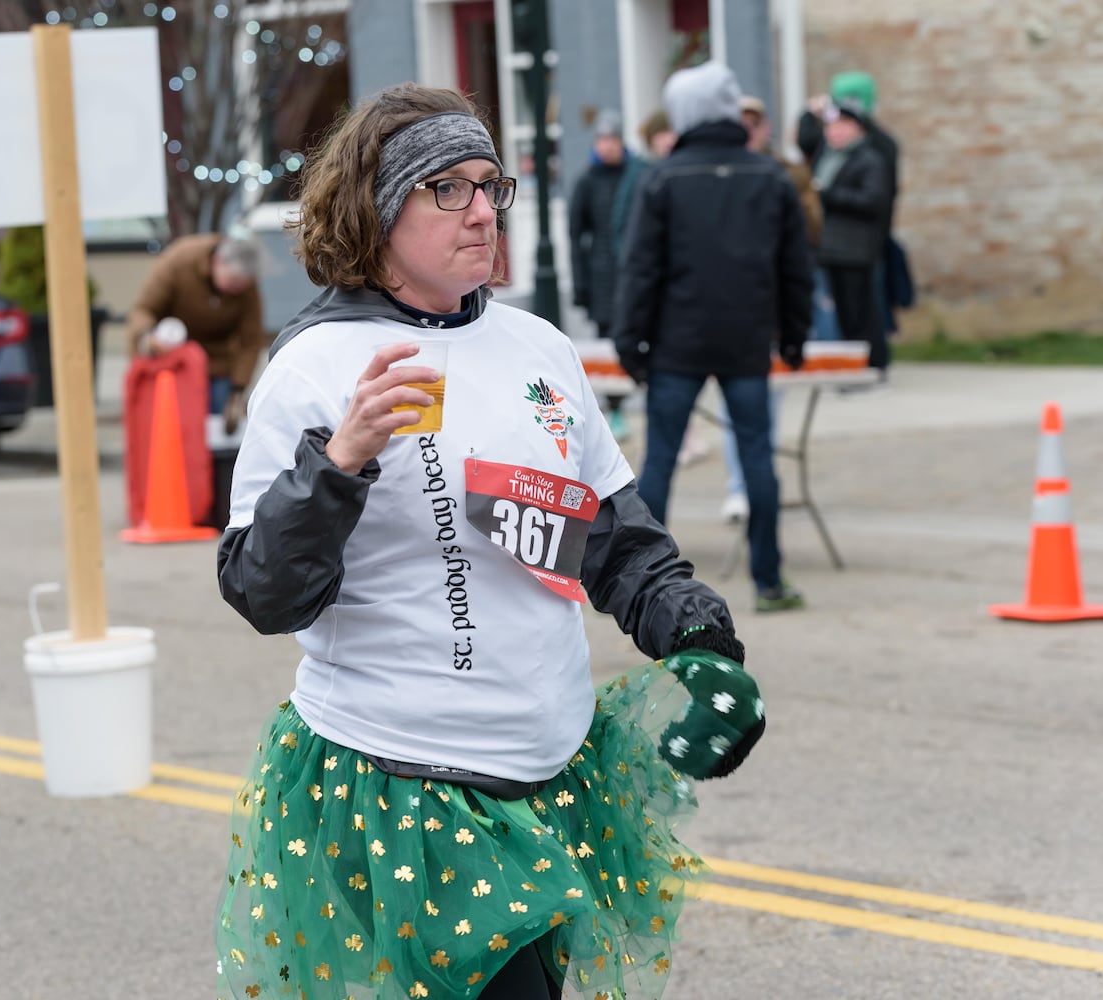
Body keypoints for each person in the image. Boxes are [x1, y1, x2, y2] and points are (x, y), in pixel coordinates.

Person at [214, 82, 765, 1000]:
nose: (482, 212)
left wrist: (701, 641)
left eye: (490, 185)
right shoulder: (314, 368)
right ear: (380, 208)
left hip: (551, 778)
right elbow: (264, 593)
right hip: (402, 786)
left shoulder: (538, 350)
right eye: (447, 189)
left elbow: (612, 541)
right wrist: (341, 460)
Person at [613, 62, 813, 612]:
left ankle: (643, 584)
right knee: (756, 458)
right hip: (746, 340)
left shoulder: (662, 177)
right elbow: (795, 267)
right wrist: (793, 337)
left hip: (676, 342)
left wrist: (630, 343)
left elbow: (640, 270)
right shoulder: (769, 177)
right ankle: (768, 580)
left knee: (659, 461)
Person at [718, 94, 824, 524]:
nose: (747, 129)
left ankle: (758, 497)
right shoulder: (713, 172)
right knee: (734, 412)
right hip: (724, 316)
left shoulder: (785, 175)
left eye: (754, 122)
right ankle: (739, 488)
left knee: (764, 413)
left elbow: (809, 235)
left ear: (764, 128)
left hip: (770, 312)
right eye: (739, 120)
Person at [125, 228, 264, 432]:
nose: (237, 290)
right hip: (172, 358)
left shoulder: (247, 287)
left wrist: (238, 390)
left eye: (242, 285)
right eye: (233, 282)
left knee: (216, 430)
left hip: (218, 364)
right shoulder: (179, 261)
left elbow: (250, 340)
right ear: (217, 262)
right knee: (175, 427)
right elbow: (144, 309)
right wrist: (147, 337)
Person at [568, 109, 641, 441]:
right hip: (601, 279)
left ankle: (628, 398)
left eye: (611, 139)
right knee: (606, 343)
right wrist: (581, 284)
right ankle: (614, 409)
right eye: (601, 139)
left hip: (632, 274)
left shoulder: (635, 176)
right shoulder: (586, 182)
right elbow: (576, 236)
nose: (606, 146)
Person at [811, 102, 894, 378]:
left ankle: (874, 366)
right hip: (831, 248)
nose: (834, 132)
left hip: (856, 248)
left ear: (857, 128)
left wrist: (828, 194)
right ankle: (854, 367)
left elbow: (873, 201)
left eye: (842, 125)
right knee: (844, 314)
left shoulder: (869, 159)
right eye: (830, 126)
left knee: (862, 313)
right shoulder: (827, 158)